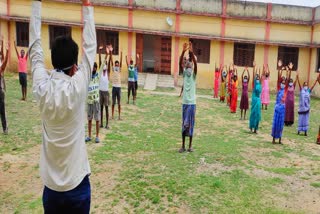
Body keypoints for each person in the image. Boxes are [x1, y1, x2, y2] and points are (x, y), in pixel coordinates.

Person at [29, 0, 96, 213]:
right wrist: (87, 7)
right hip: (77, 184)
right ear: (74, 67)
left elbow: (35, 51)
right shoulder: (78, 86)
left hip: (52, 188)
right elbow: (90, 48)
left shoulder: (42, 88)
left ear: (54, 60)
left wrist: (36, 5)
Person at [179, 42, 197, 153]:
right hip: (185, 103)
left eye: (190, 63)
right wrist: (183, 51)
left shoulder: (194, 75)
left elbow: (195, 63)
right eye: (187, 63)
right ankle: (183, 146)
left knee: (191, 124)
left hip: (192, 103)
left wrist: (191, 51)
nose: (188, 63)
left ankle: (190, 146)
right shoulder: (185, 73)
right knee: (184, 124)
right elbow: (180, 62)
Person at [85, 62, 101, 143]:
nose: (93, 69)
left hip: (96, 101)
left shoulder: (98, 75)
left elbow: (102, 65)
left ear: (96, 68)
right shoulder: (88, 77)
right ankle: (89, 136)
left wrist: (107, 55)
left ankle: (97, 136)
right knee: (89, 119)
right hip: (89, 101)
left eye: (94, 68)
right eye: (92, 68)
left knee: (97, 119)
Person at [98, 46, 110, 129]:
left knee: (106, 108)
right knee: (101, 108)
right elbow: (100, 62)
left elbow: (108, 62)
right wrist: (99, 51)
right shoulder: (100, 72)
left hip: (106, 92)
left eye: (105, 64)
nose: (105, 65)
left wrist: (107, 54)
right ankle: (101, 123)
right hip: (100, 91)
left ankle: (107, 124)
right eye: (104, 65)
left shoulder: (107, 72)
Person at [271, 79, 286, 144]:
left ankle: (280, 140)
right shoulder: (278, 91)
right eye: (282, 83)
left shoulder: (285, 92)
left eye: (284, 83)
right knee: (276, 124)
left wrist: (289, 71)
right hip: (277, 109)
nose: (283, 84)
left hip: (282, 109)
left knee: (281, 125)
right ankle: (273, 139)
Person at [110, 46, 123, 120]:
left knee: (119, 103)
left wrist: (121, 54)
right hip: (114, 87)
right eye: (116, 64)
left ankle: (119, 116)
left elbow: (121, 62)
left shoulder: (119, 69)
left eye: (118, 64)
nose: (117, 65)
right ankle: (112, 115)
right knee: (113, 102)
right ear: (115, 65)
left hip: (119, 87)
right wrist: (111, 53)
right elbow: (111, 61)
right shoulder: (113, 68)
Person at [0, 38, 9, 134]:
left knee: (2, 111)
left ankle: (5, 128)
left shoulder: (1, 68)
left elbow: (4, 61)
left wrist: (6, 51)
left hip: (0, 92)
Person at [249, 68, 262, 134]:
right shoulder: (254, 85)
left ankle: (255, 129)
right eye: (256, 78)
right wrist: (254, 68)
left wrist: (261, 71)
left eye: (258, 78)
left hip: (258, 101)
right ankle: (251, 127)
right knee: (253, 114)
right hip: (254, 100)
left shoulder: (260, 85)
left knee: (257, 115)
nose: (257, 79)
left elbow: (262, 76)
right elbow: (254, 76)